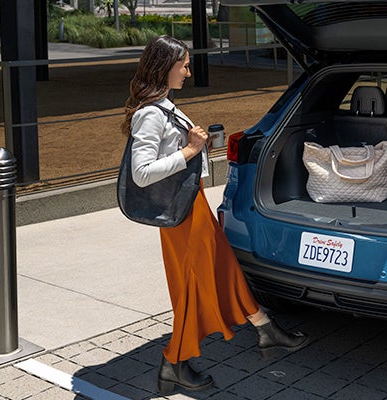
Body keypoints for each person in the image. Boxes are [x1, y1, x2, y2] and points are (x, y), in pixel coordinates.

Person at [121, 35, 309, 394]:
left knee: (224, 267)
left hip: (193, 206)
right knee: (192, 286)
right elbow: (141, 172)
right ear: (165, 67)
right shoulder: (149, 114)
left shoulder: (164, 106)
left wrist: (199, 146)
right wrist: (191, 151)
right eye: (184, 66)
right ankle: (173, 362)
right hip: (180, 216)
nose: (188, 72)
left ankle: (265, 327)